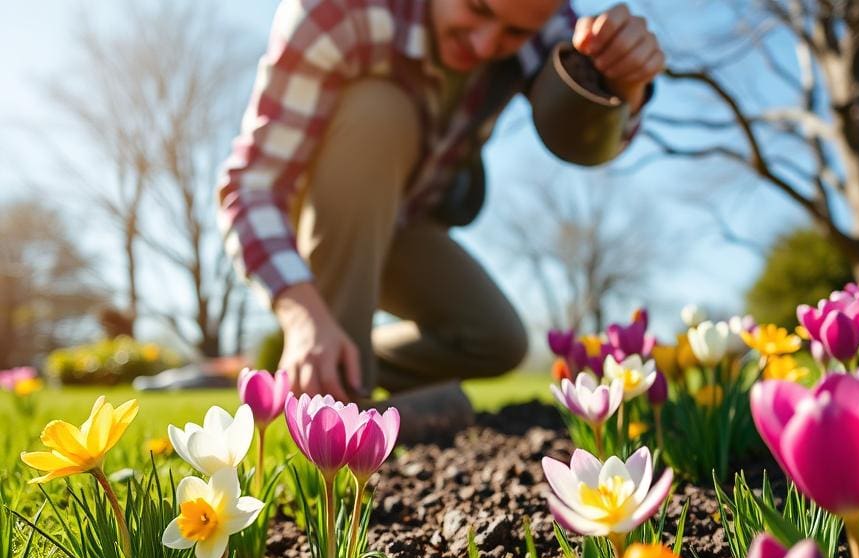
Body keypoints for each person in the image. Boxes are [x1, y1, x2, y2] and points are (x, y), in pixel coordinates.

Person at [217, 0, 664, 417]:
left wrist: (625, 82)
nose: (485, 45)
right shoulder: (336, 13)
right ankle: (331, 415)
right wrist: (303, 317)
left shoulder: (545, 19)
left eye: (513, 34)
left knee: (497, 339)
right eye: (476, 8)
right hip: (321, 212)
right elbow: (252, 187)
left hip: (408, 223)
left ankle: (333, 365)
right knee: (380, 112)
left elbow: (582, 134)